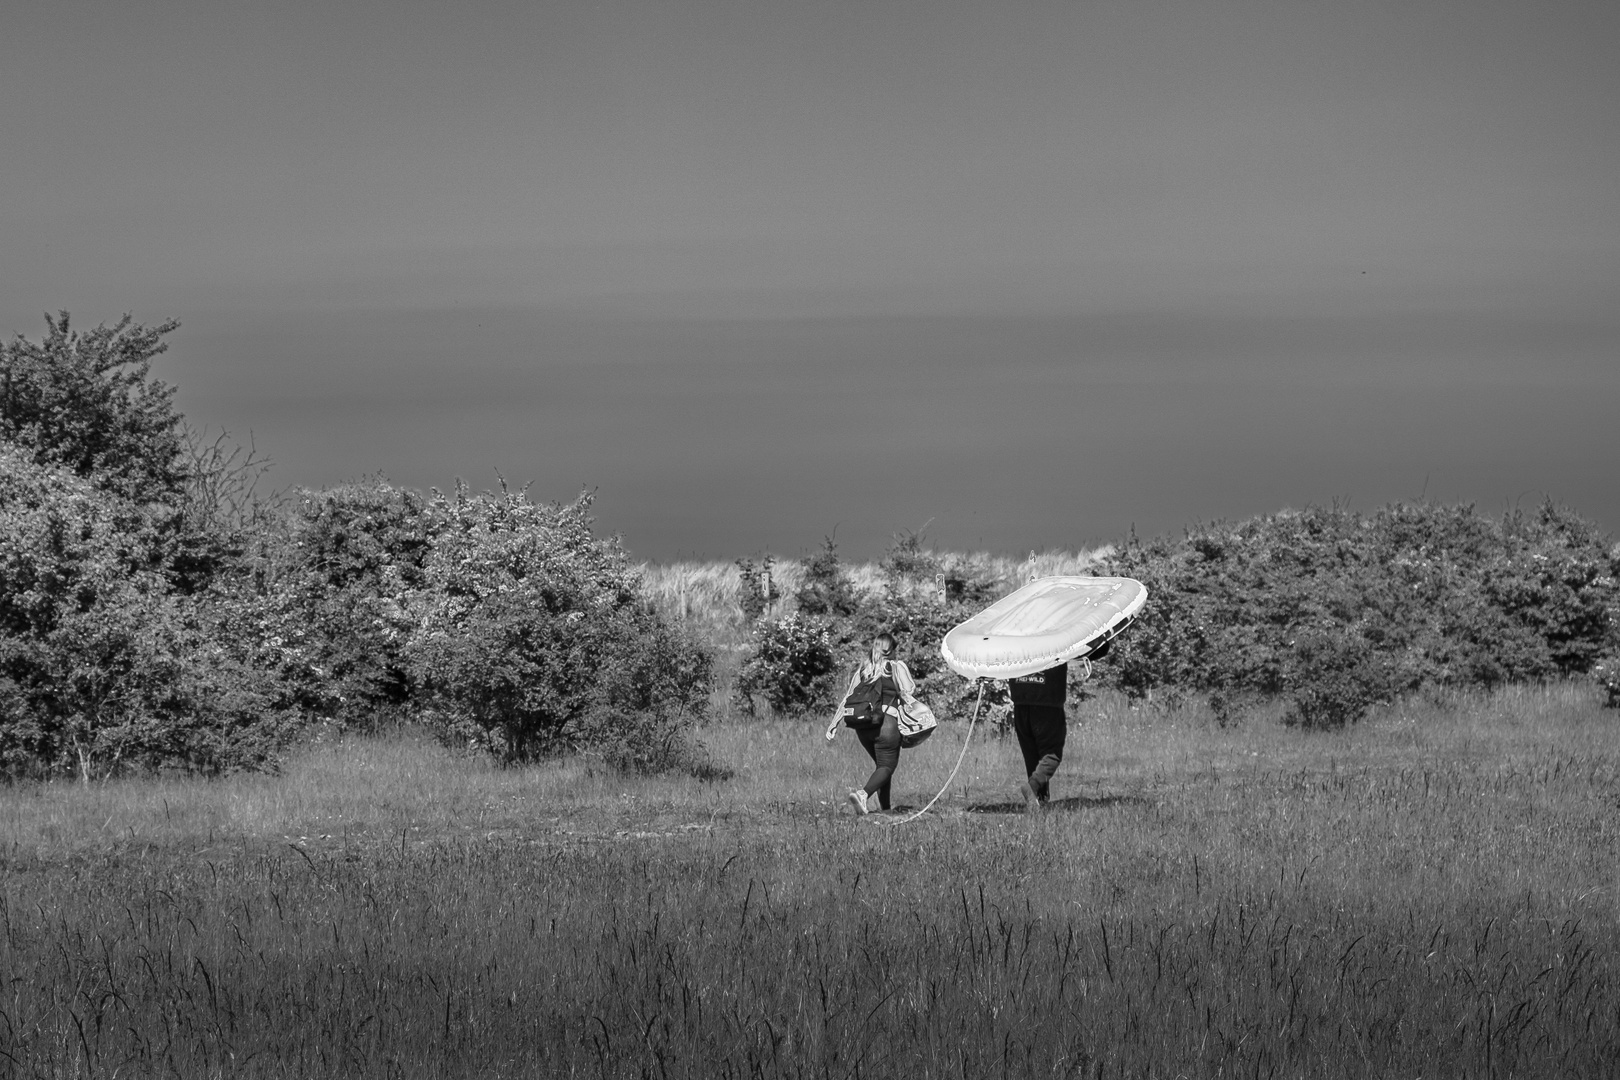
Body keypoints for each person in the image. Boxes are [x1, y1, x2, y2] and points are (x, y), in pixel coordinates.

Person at [832, 632, 916, 815]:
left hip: (863, 727)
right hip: (887, 725)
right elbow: (909, 689)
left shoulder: (864, 669)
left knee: (882, 767)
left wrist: (833, 724)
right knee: (887, 766)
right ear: (892, 649)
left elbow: (847, 697)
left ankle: (885, 810)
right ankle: (863, 794)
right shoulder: (895, 666)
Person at [1008, 662, 1069, 812]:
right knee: (1051, 755)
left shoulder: (1015, 638)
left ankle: (1039, 801)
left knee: (1032, 756)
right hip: (1048, 705)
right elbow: (1093, 649)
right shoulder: (1057, 638)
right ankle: (1033, 786)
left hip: (1021, 704)